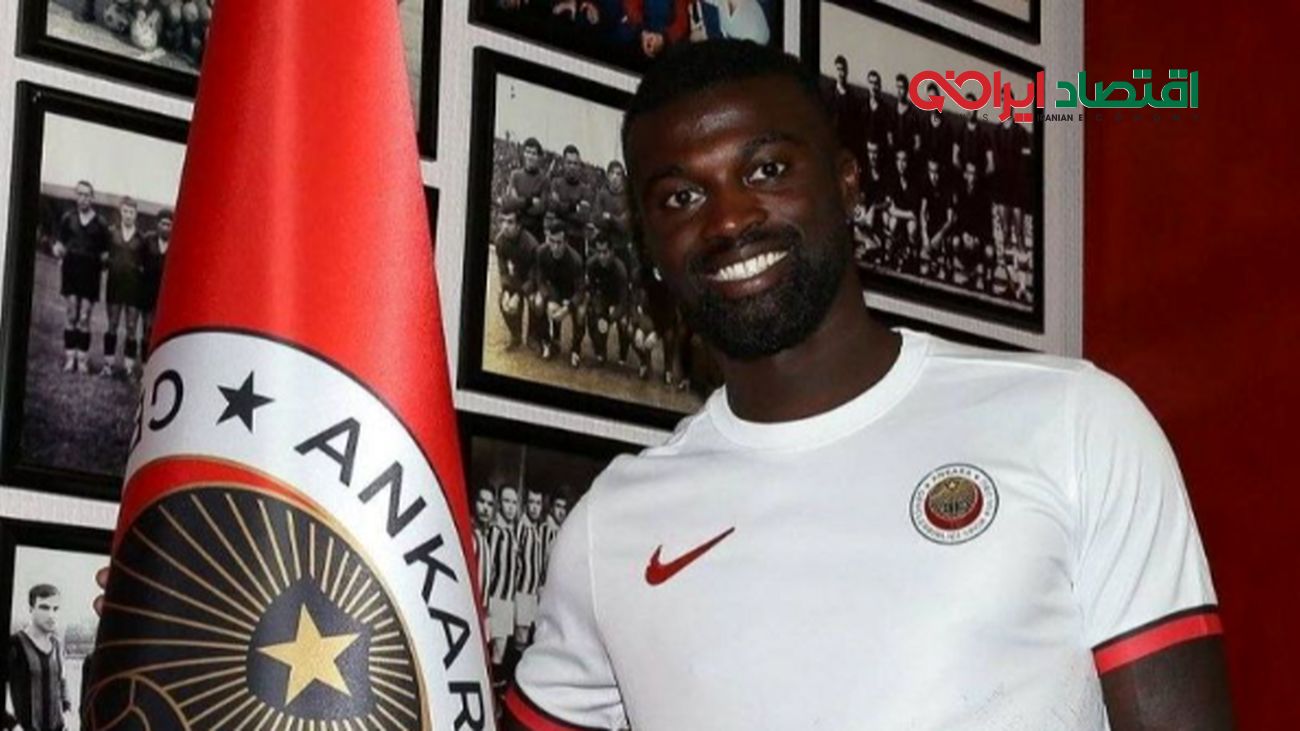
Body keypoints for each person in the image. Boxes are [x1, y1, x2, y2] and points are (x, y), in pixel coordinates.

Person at [504, 40, 1231, 730]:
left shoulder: (1072, 422)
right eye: (680, 197)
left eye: (766, 170)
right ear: (648, 246)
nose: (728, 219)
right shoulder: (610, 529)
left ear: (846, 182)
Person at [52, 181, 111, 375]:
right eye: (80, 194)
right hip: (70, 271)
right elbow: (59, 243)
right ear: (76, 196)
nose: (83, 198)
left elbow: (105, 253)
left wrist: (103, 261)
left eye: (87, 195)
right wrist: (58, 250)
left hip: (90, 274)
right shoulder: (68, 218)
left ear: (92, 198)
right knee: (71, 314)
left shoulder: (101, 223)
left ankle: (82, 360)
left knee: (85, 317)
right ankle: (70, 359)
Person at [5, 585, 70, 731]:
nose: (51, 615)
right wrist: (12, 725)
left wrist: (66, 713)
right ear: (31, 609)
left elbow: (62, 681)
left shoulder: (57, 645)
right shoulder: (14, 644)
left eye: (55, 609)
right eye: (44, 608)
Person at [102, 197, 146, 378]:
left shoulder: (141, 239)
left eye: (131, 212)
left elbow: (145, 264)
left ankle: (128, 367)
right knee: (112, 324)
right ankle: (108, 364)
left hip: (134, 289)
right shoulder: (112, 233)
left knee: (131, 327)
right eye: (125, 211)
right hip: (114, 285)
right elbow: (104, 256)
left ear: (136, 215)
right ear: (121, 212)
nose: (128, 215)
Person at [494, 208, 541, 349]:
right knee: (504, 301)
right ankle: (515, 335)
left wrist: (519, 294)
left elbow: (535, 275)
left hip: (534, 279)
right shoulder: (500, 241)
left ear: (519, 225)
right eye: (502, 221)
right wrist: (507, 290)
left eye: (510, 222)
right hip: (517, 276)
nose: (505, 226)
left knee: (535, 302)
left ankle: (533, 336)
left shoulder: (531, 244)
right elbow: (503, 271)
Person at [514, 488, 548, 647]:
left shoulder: (537, 530)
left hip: (533, 594)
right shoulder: (521, 527)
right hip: (522, 592)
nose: (535, 507)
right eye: (532, 502)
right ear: (526, 504)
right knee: (520, 639)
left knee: (529, 638)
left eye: (538, 503)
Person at [139, 207, 173, 361]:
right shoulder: (148, 240)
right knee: (147, 328)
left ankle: (156, 361)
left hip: (165, 294)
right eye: (163, 224)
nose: (165, 228)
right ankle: (144, 362)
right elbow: (140, 264)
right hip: (147, 291)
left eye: (168, 225)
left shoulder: (176, 242)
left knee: (160, 331)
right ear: (157, 224)